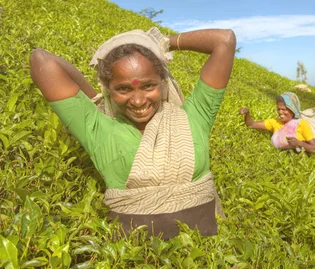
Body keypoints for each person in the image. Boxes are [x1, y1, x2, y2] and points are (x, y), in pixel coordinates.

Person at [29, 27, 236, 239]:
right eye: (124, 89)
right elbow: (41, 60)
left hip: (204, 254)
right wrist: (97, 99)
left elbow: (224, 40)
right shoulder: (99, 131)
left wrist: (163, 42)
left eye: (148, 86)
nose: (138, 101)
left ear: (163, 82)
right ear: (109, 90)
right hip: (133, 257)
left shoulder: (195, 116)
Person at [239, 92, 315, 153]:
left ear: (292, 110)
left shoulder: (302, 124)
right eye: (278, 109)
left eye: (284, 109)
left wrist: (299, 143)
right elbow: (252, 124)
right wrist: (247, 113)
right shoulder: (274, 122)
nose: (280, 112)